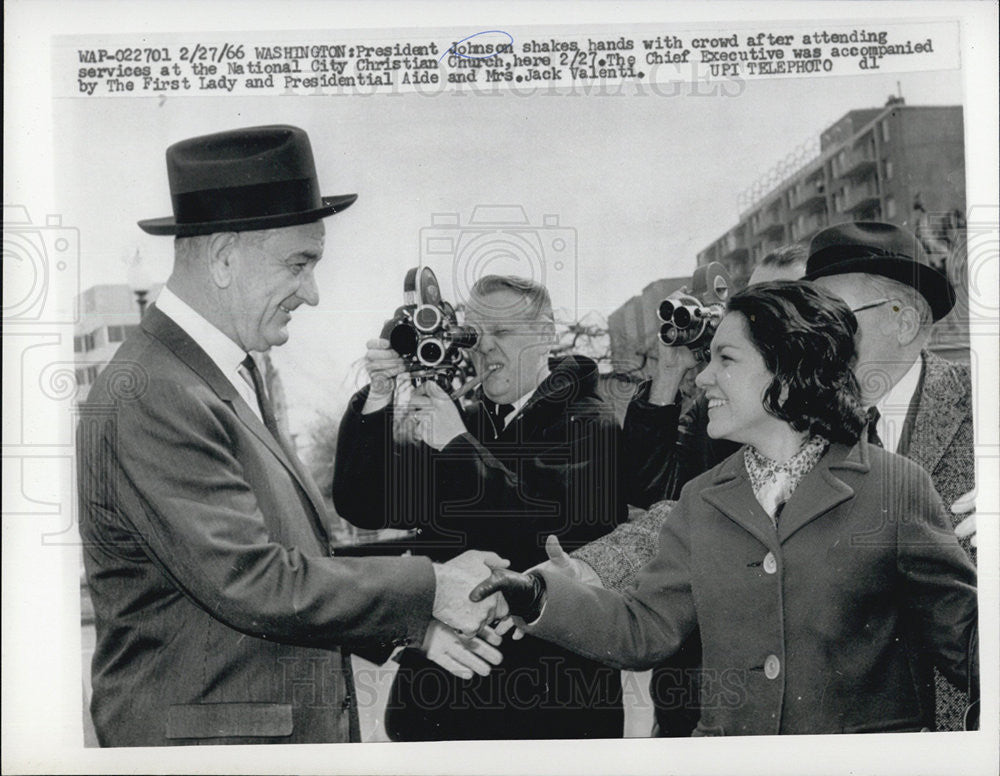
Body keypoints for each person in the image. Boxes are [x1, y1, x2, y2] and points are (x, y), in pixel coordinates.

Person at [77, 125, 507, 747]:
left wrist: (412, 623)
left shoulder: (222, 372)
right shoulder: (155, 391)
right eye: (298, 264)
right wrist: (432, 585)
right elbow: (254, 582)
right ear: (224, 258)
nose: (312, 292)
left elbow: (288, 566)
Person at [477, 281, 979, 736]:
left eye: (726, 359)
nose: (704, 378)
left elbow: (968, 647)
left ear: (786, 368)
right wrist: (532, 595)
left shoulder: (895, 486)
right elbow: (642, 626)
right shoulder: (703, 497)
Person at [333, 275, 627, 740]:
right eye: (474, 335)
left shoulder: (588, 420)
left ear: (546, 333)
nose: (484, 349)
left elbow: (551, 535)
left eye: (504, 333)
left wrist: (456, 445)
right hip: (441, 708)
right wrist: (378, 397)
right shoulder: (466, 421)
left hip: (546, 713)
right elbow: (364, 504)